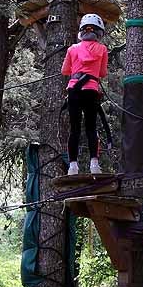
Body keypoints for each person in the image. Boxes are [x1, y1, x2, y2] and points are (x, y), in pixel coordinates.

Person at [62, 13, 109, 175]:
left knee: (74, 129)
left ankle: (72, 167)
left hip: (74, 90)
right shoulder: (102, 49)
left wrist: (77, 67)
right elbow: (102, 73)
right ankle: (94, 165)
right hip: (91, 91)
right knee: (90, 128)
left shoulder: (72, 49)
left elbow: (64, 71)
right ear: (99, 32)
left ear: (82, 31)